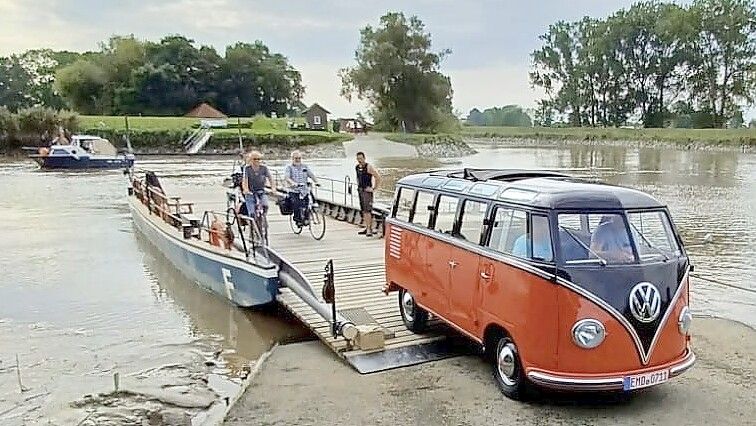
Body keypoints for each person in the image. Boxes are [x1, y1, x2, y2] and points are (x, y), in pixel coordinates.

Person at [284, 150, 318, 226]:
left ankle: (306, 218)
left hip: (304, 189)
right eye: (296, 158)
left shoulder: (304, 166)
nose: (298, 160)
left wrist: (316, 181)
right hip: (294, 190)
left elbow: (311, 174)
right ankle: (297, 220)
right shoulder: (289, 167)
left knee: (308, 202)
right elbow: (287, 177)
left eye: (299, 158)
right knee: (297, 204)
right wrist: (293, 183)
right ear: (292, 158)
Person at [241, 151, 274, 223]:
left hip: (261, 190)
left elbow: (270, 178)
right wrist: (246, 189)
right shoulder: (247, 168)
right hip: (250, 192)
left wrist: (273, 188)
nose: (257, 161)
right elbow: (245, 180)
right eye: (254, 159)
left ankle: (263, 219)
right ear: (250, 160)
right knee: (252, 213)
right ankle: (252, 227)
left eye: (258, 159)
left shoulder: (264, 168)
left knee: (265, 205)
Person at [355, 152, 381, 237]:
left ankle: (369, 229)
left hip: (367, 191)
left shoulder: (368, 167)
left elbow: (377, 177)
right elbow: (358, 178)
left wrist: (374, 188)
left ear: (364, 158)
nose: (360, 160)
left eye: (361, 159)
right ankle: (367, 227)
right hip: (360, 190)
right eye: (358, 159)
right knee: (363, 210)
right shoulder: (357, 167)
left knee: (368, 210)